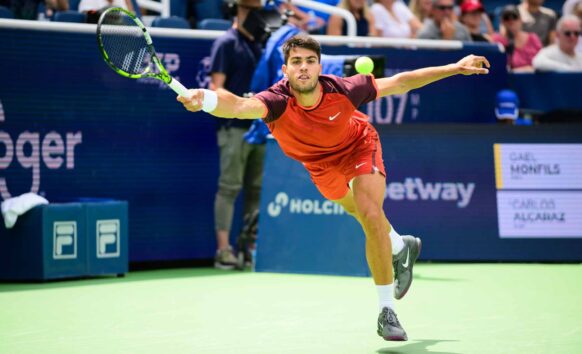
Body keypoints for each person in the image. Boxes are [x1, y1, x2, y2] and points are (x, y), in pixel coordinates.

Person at [177, 35, 490, 340]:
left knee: (369, 213)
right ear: (284, 70)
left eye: (310, 61)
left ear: (319, 66)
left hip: (358, 146)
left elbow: (402, 82)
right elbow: (239, 106)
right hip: (319, 166)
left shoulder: (342, 88)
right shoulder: (276, 101)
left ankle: (387, 311)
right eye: (296, 62)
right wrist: (206, 99)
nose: (304, 68)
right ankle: (399, 245)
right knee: (356, 210)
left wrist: (454, 67)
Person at [208, 0, 266, 269]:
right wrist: (238, 105)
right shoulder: (226, 43)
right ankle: (223, 250)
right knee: (229, 188)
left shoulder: (262, 45)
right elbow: (215, 87)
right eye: (252, 9)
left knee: (256, 191)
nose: (258, 13)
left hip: (260, 129)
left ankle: (249, 248)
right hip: (234, 129)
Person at [491, 5, 542, 72]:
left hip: (533, 79)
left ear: (521, 19)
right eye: (507, 18)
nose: (511, 20)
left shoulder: (533, 38)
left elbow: (542, 62)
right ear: (502, 21)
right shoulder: (496, 40)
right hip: (509, 80)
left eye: (514, 17)